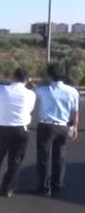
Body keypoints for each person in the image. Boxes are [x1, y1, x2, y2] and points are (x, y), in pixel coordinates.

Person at [0, 68, 36, 197]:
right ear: (27, 80)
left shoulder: (1, 90)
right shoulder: (30, 94)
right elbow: (30, 109)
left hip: (1, 129)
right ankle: (8, 188)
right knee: (15, 161)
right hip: (20, 130)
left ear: (13, 77)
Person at [34, 63, 79, 197]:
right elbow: (76, 112)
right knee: (60, 156)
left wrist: (42, 81)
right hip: (63, 126)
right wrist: (75, 127)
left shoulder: (43, 90)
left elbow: (32, 90)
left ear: (49, 75)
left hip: (46, 125)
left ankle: (44, 186)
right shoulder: (73, 91)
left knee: (44, 157)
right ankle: (57, 185)